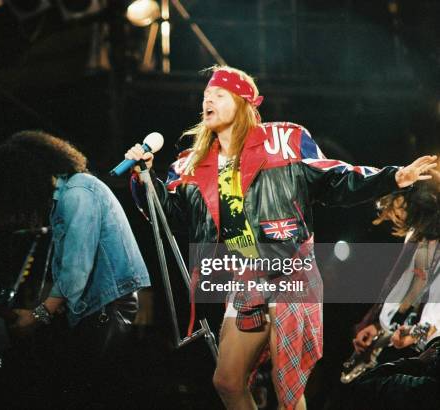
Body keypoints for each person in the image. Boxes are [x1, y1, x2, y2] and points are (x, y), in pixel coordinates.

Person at [125, 65, 438, 409]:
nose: (207, 100)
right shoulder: (191, 163)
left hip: (289, 273)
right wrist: (144, 181)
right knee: (227, 381)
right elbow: (170, 217)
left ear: (243, 103)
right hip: (243, 281)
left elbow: (336, 179)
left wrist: (393, 177)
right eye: (205, 96)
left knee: (286, 387)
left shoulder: (285, 141)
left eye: (218, 94)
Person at [0, 130, 151, 406]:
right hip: (98, 307)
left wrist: (37, 316)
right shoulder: (68, 196)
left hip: (106, 308)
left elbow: (76, 270)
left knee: (83, 391)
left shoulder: (78, 193)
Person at [342, 162, 440, 409]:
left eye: (400, 210)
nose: (396, 218)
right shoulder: (419, 239)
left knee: (366, 392)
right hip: (408, 345)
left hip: (427, 356)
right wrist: (378, 325)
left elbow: (432, 324)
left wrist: (412, 334)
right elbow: (411, 295)